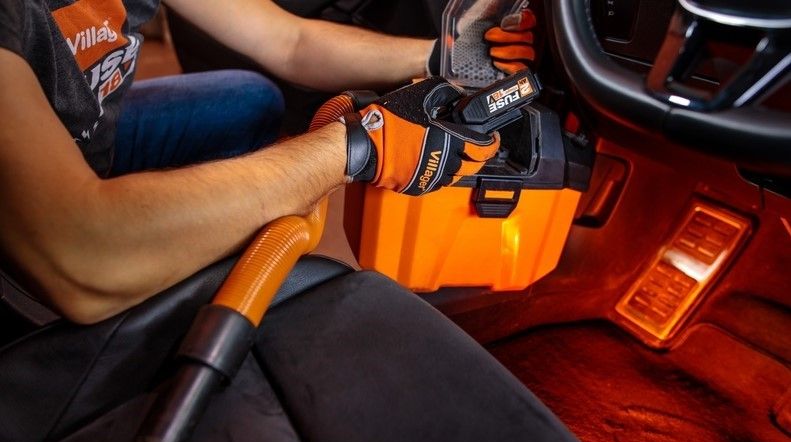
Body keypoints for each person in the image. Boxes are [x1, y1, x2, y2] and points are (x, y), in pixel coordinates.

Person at [0, 0, 536, 325]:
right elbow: (80, 251)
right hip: (40, 229)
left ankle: (164, 246)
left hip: (87, 141)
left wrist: (444, 57)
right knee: (96, 264)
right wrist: (357, 146)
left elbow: (289, 41)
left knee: (248, 100)